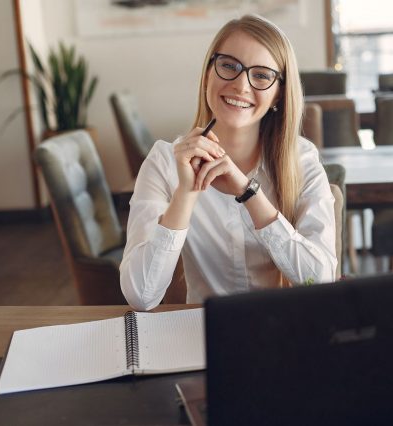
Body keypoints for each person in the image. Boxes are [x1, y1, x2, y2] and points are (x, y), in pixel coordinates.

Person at [120, 14, 337, 311]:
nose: (240, 85)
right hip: (201, 336)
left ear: (278, 94)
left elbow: (321, 282)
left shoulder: (302, 160)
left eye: (261, 75)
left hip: (283, 332)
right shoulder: (164, 161)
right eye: (228, 66)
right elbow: (141, 296)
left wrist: (249, 193)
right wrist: (186, 192)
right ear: (208, 73)